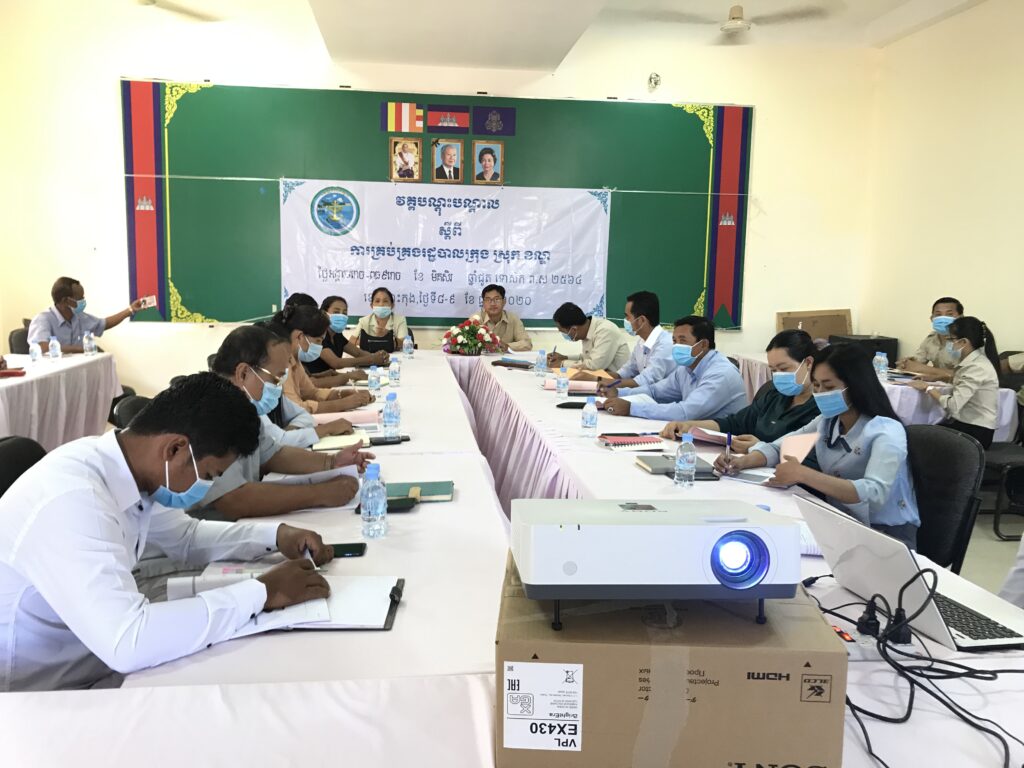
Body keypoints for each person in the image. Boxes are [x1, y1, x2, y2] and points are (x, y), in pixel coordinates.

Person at [0, 372, 336, 691]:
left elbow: (186, 538)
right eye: (209, 474)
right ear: (175, 449)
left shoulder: (133, 470)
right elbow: (128, 641)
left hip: (94, 657)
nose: (208, 487)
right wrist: (261, 592)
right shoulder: (74, 499)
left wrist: (275, 536)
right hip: (43, 690)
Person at [719, 344, 920, 549]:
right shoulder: (827, 421)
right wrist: (741, 462)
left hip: (886, 536)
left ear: (856, 386)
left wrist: (803, 474)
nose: (821, 393)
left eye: (829, 387)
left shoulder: (886, 431)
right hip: (841, 522)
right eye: (816, 386)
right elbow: (781, 447)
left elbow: (874, 493)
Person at [200, 326, 373, 521]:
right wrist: (320, 493)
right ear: (243, 373)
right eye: (275, 379)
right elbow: (234, 500)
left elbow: (272, 454)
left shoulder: (245, 408)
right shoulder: (209, 413)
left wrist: (332, 462)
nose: (278, 388)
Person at [660, 329, 820, 452]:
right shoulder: (774, 396)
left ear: (808, 363)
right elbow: (734, 423)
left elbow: (809, 455)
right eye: (773, 370)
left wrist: (761, 448)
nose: (778, 376)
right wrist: (689, 426)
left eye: (784, 369)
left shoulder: (820, 408)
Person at [601, 315, 746, 421]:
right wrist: (618, 393)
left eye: (682, 340)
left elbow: (686, 412)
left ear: (703, 344)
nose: (676, 346)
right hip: (695, 434)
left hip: (727, 444)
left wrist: (631, 408)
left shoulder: (720, 374)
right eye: (674, 341)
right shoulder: (686, 368)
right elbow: (655, 391)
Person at [907, 316, 1000, 449]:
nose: (949, 344)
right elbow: (963, 382)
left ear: (963, 342)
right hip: (965, 425)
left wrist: (928, 389)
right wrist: (936, 378)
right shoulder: (972, 362)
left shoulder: (977, 367)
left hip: (976, 431)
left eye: (951, 340)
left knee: (918, 436)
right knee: (920, 431)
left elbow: (953, 406)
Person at [264, 305, 373, 415]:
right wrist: (343, 403)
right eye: (318, 341)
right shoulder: (281, 364)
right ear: (300, 336)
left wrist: (342, 394)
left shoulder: (294, 359)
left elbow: (312, 393)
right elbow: (295, 408)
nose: (320, 346)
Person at [28, 276, 146, 353]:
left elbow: (104, 324)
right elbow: (42, 347)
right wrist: (81, 349)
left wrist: (130, 310)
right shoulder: (43, 319)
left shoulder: (79, 317)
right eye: (79, 298)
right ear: (65, 301)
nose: (83, 301)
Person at [300, 294, 388, 375]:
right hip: (315, 381)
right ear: (324, 313)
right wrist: (371, 359)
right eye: (336, 312)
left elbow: (357, 353)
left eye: (344, 313)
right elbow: (336, 363)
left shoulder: (337, 334)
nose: (341, 316)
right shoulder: (318, 334)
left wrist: (380, 356)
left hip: (330, 378)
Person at [613, 291, 675, 389]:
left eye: (627, 316)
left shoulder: (665, 344)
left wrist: (608, 384)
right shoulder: (641, 342)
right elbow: (625, 372)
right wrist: (596, 378)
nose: (625, 320)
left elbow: (645, 381)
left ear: (641, 320)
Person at [547, 303, 629, 374]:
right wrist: (564, 357)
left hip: (618, 382)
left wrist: (562, 364)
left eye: (563, 331)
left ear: (574, 329)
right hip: (603, 379)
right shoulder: (587, 330)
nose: (564, 334)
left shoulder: (605, 331)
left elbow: (595, 366)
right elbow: (586, 358)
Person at [896, 296, 963, 382]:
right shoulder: (931, 339)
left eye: (949, 314)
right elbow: (917, 363)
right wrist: (906, 364)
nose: (943, 318)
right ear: (932, 318)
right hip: (937, 386)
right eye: (938, 315)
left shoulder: (966, 341)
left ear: (961, 318)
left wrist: (924, 369)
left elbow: (964, 375)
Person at [355, 287, 410, 354]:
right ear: (371, 305)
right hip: (369, 356)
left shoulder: (400, 320)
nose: (381, 304)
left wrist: (388, 336)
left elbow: (404, 342)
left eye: (385, 301)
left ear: (392, 305)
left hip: (394, 356)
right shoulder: (363, 321)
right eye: (377, 301)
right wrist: (381, 341)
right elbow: (352, 341)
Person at [477, 284, 531, 352]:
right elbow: (467, 344)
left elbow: (527, 343)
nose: (492, 303)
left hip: (506, 358)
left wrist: (507, 346)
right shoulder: (476, 318)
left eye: (496, 299)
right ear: (483, 303)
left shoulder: (512, 318)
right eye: (488, 300)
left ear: (504, 302)